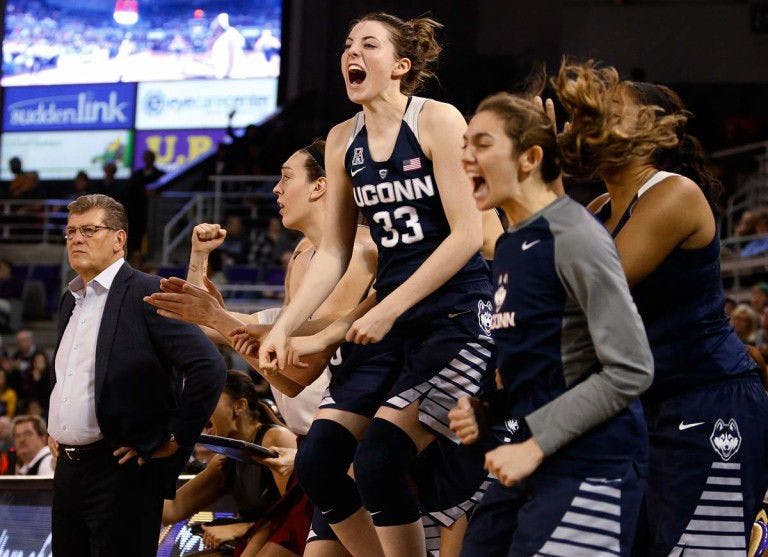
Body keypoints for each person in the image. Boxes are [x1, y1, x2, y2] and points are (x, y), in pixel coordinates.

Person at [257, 13, 496, 556]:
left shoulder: (438, 121)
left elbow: (465, 236)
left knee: (380, 461)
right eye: (347, 45)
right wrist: (286, 327)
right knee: (317, 464)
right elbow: (336, 251)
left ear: (401, 65)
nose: (351, 54)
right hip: (393, 318)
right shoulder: (343, 141)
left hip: (454, 315)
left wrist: (389, 308)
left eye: (369, 44)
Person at [554, 61, 768, 556]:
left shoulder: (675, 194)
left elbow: (592, 291)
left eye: (613, 111)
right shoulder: (597, 209)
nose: (594, 119)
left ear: (651, 133)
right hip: (641, 410)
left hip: (707, 402)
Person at [448, 92, 653, 556]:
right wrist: (489, 409)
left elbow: (631, 369)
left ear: (530, 158)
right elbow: (546, 365)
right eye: (463, 144)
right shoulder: (507, 245)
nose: (464, 156)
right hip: (529, 453)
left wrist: (534, 446)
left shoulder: (576, 236)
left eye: (480, 144)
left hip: (592, 460)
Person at [49, 193, 226, 556]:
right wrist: (58, 426)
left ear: (119, 239)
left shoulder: (148, 292)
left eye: (88, 230)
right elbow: (70, 374)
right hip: (67, 472)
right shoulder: (71, 299)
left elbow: (208, 366)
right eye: (70, 232)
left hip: (121, 471)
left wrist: (175, 438)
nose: (76, 239)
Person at [163, 370, 302, 556]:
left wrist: (242, 528)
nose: (198, 408)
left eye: (208, 397)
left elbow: (298, 515)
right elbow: (173, 508)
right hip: (253, 542)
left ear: (239, 406)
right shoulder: (224, 459)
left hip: (293, 542)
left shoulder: (275, 439)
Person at [127, 150, 164, 255]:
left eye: (150, 157)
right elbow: (130, 191)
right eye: (146, 157)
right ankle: (135, 253)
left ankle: (147, 254)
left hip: (154, 212)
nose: (148, 160)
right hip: (137, 211)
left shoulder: (161, 175)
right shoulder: (136, 175)